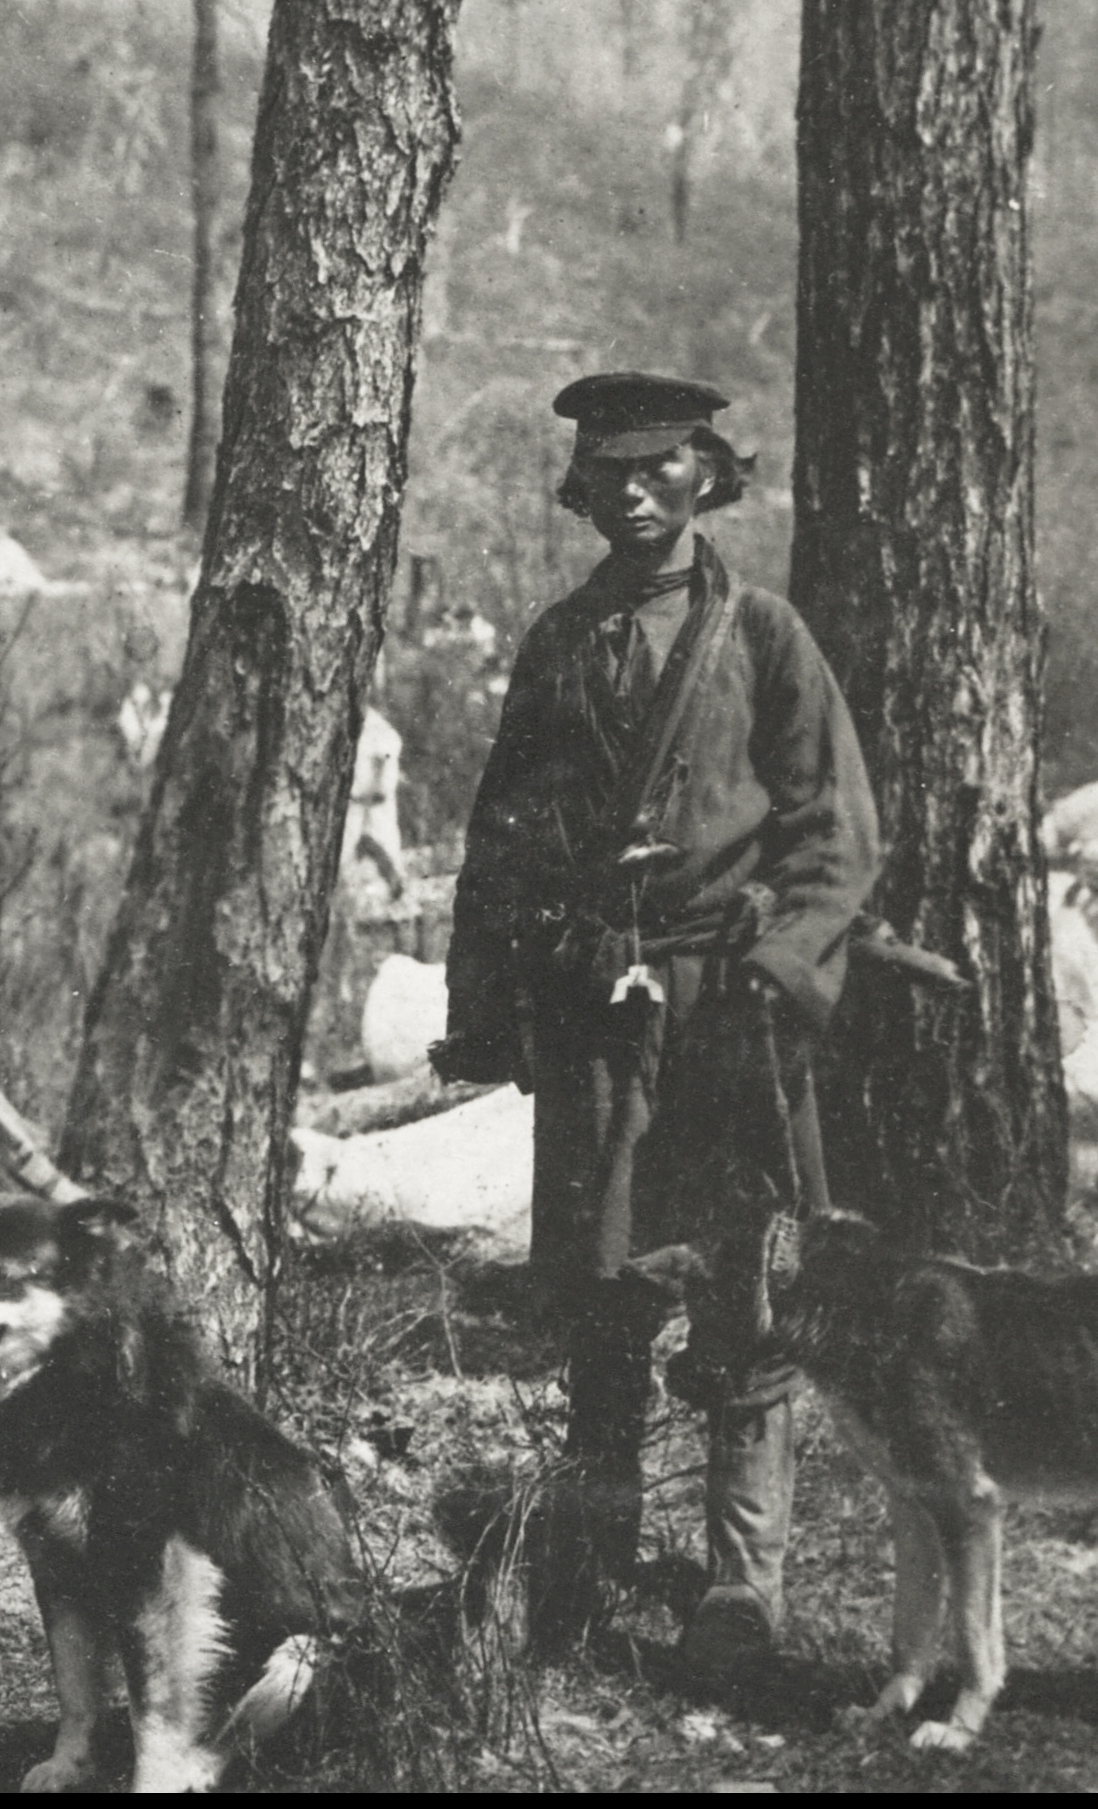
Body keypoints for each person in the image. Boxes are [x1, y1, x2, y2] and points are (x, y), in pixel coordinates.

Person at [434, 373, 880, 1670]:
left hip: (722, 1016)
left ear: (707, 477)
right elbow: (500, 838)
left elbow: (835, 836)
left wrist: (782, 969)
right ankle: (590, 1558)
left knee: (739, 1291)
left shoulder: (764, 638)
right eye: (607, 472)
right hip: (591, 1015)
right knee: (599, 1292)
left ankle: (742, 1590)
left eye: (659, 468)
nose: (632, 492)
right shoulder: (556, 644)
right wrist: (482, 1007)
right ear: (580, 490)